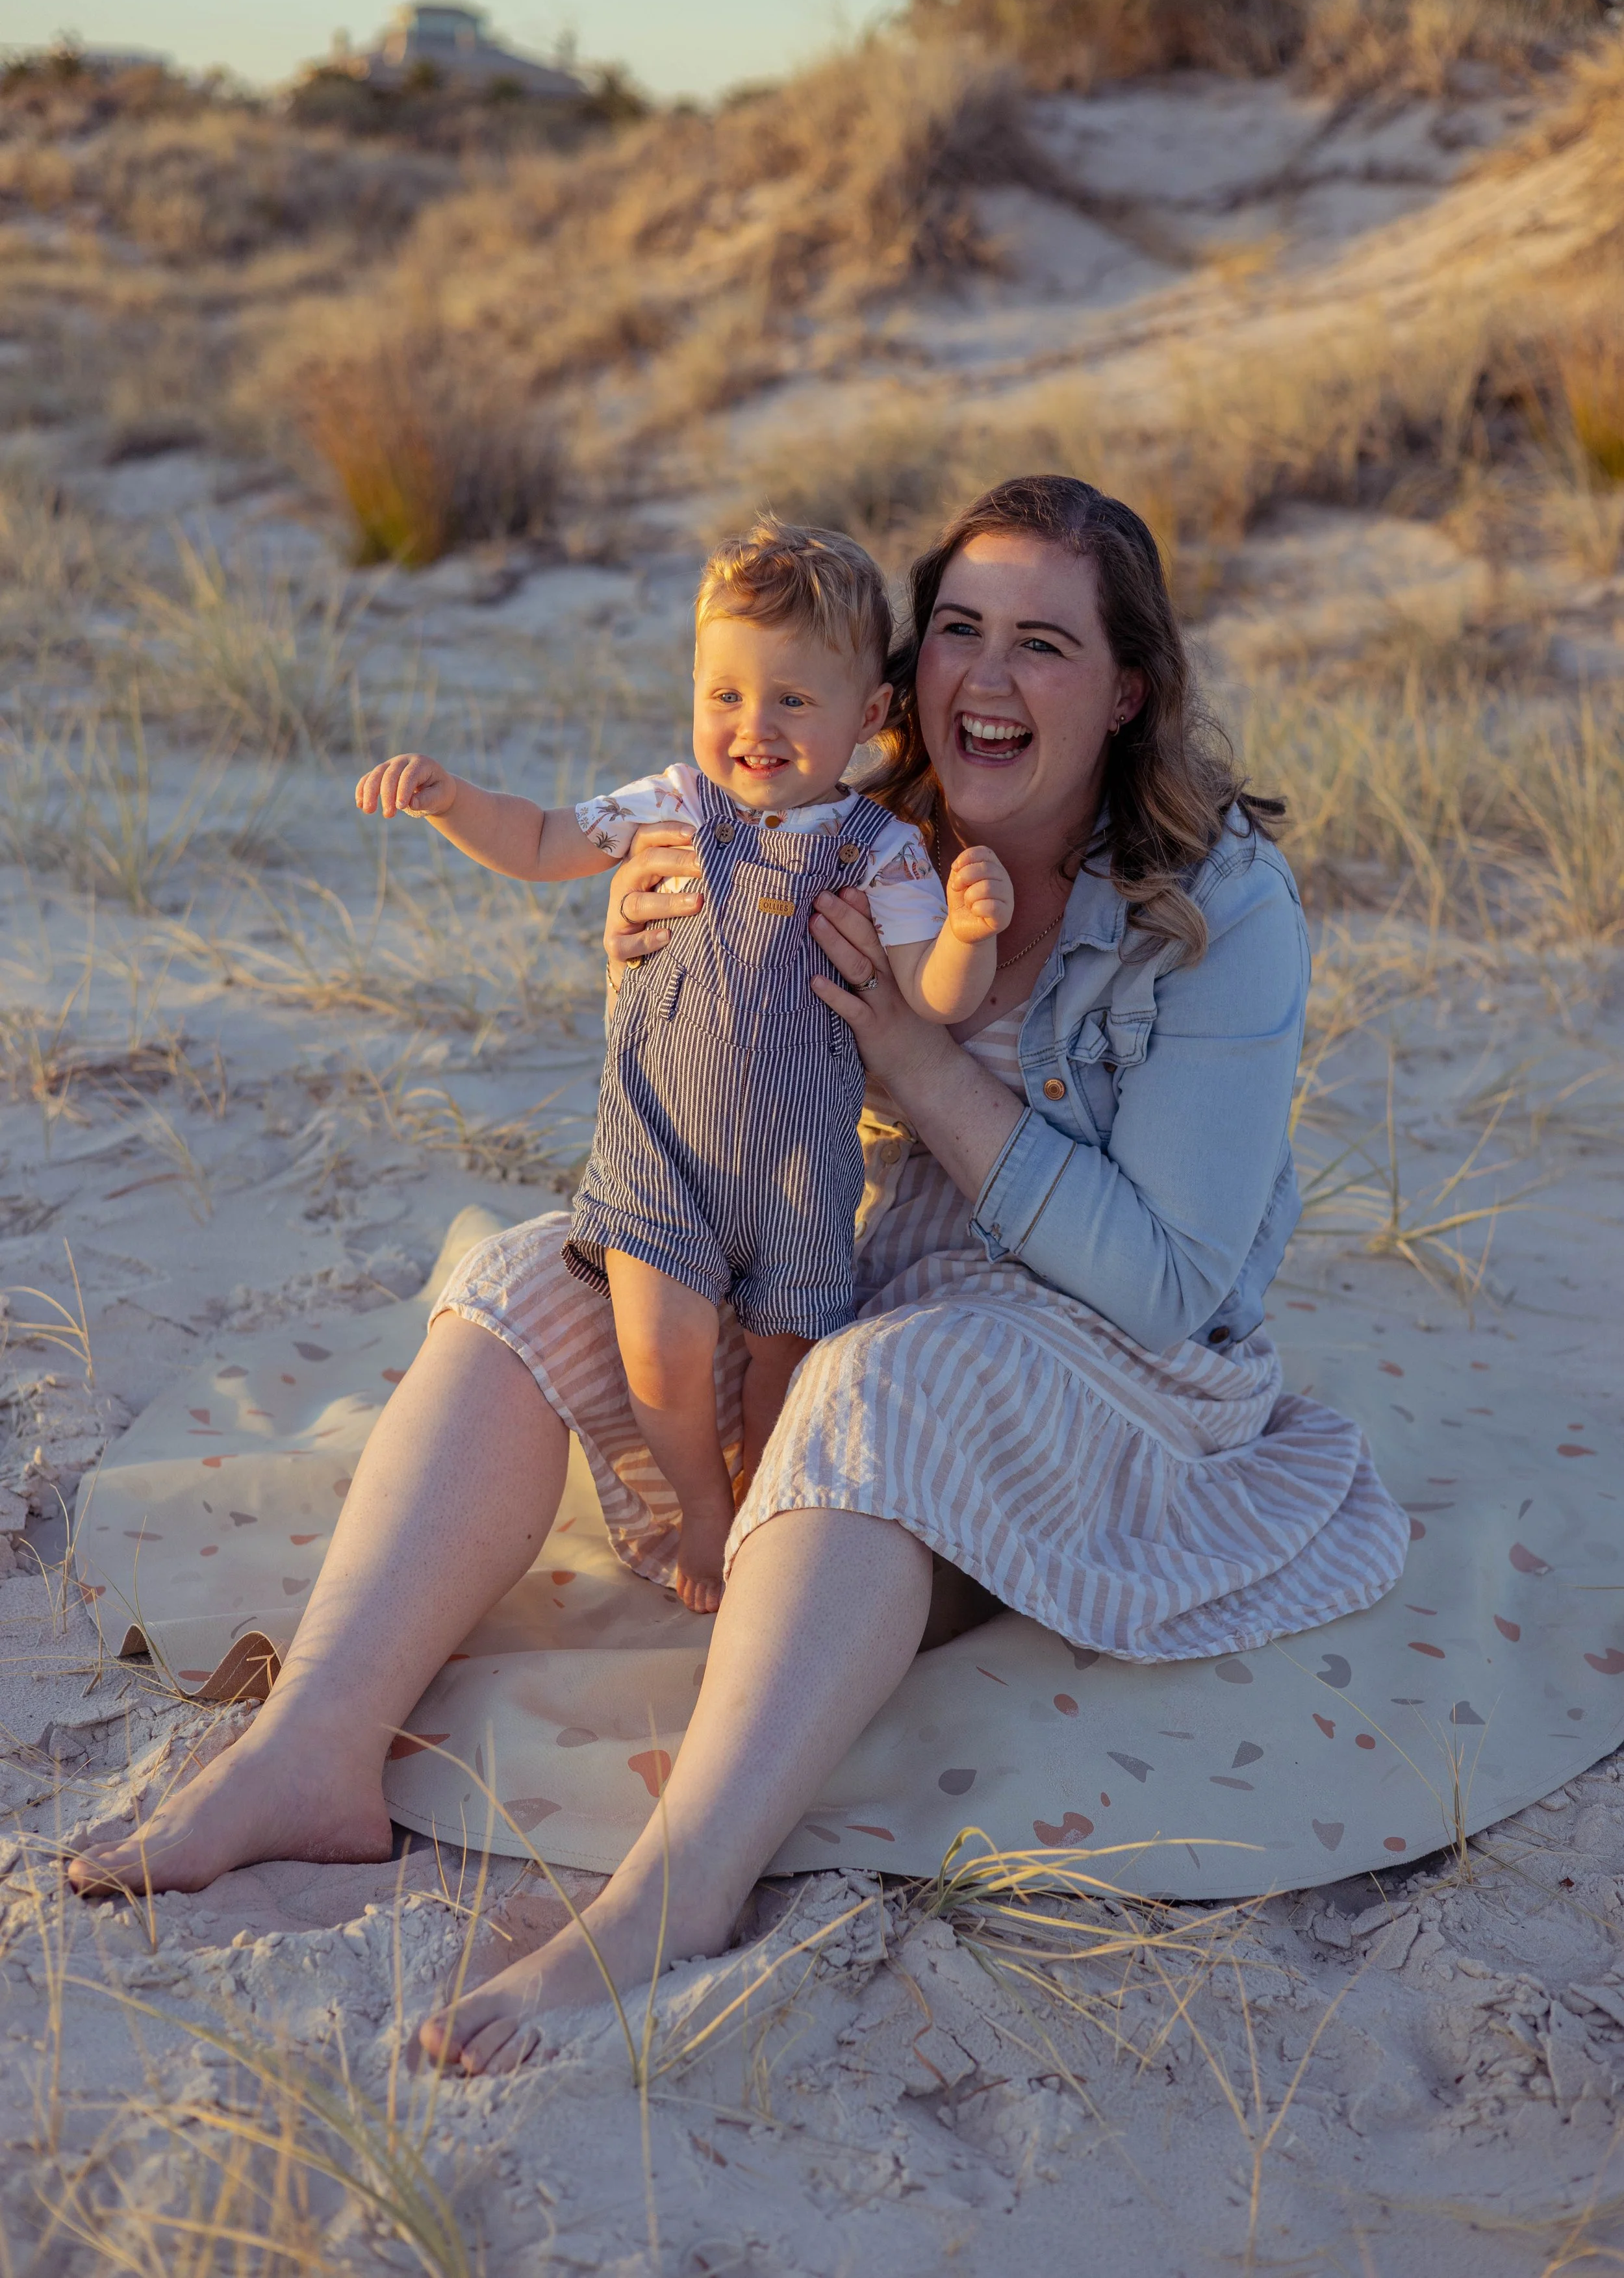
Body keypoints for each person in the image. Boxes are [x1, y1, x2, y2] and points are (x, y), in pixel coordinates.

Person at [68, 475, 1407, 2084]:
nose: (984, 678)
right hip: (848, 1267)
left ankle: (673, 1894)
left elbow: (1170, 1281)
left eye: (1042, 645)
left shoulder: (1218, 909)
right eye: (958, 632)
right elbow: (713, 1071)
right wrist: (641, 945)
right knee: (536, 1275)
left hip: (1100, 1362)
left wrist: (914, 1057)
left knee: (872, 1385)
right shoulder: (849, 813)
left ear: (1126, 689)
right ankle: (314, 1749)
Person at [353, 520, 1013, 1610]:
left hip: (802, 1171)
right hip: (662, 1151)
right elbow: (537, 842)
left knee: (783, 1358)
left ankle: (763, 1496)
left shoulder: (881, 848)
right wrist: (448, 798)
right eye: (726, 696)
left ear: (870, 715)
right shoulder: (672, 803)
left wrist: (967, 935)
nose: (754, 727)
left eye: (795, 700)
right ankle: (704, 1515)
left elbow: (935, 998)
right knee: (658, 1346)